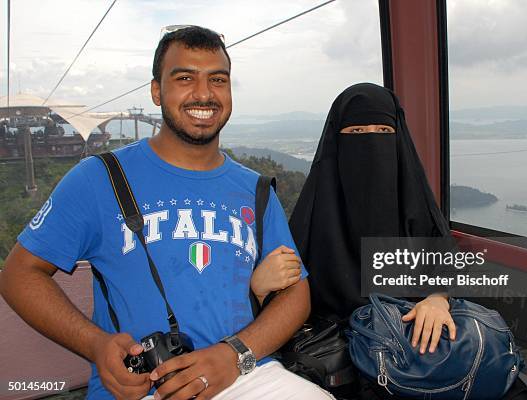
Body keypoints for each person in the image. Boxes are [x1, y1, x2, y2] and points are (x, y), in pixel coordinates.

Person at [0, 27, 333, 400]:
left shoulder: (255, 190)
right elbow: (19, 274)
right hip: (146, 386)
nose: (204, 93)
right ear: (157, 90)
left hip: (245, 374)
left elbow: (296, 294)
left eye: (218, 80)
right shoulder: (100, 179)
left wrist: (234, 354)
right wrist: (96, 345)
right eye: (185, 78)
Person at [252, 83, 456, 357]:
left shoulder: (416, 207)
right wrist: (260, 290)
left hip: (409, 350)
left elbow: (446, 266)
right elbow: (285, 301)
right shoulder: (311, 222)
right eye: (357, 132)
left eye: (384, 132)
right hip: (331, 356)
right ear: (337, 141)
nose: (371, 143)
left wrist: (437, 299)